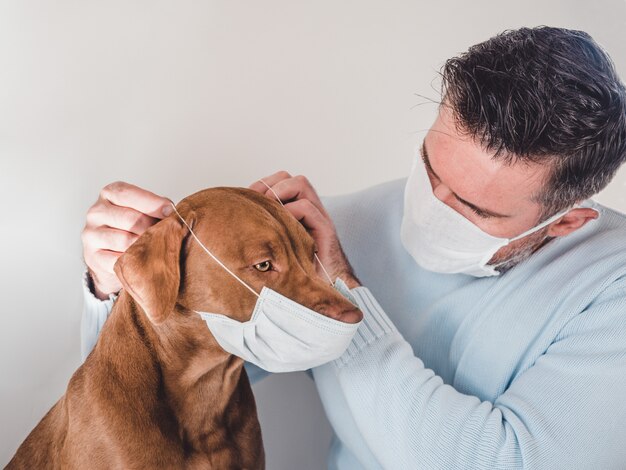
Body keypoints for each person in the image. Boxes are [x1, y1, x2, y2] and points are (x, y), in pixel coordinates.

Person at [80, 26, 626, 468]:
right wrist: (119, 286)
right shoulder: (333, 230)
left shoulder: (611, 289)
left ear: (568, 222)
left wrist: (344, 299)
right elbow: (164, 387)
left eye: (474, 208)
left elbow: (506, 462)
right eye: (430, 168)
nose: (432, 205)